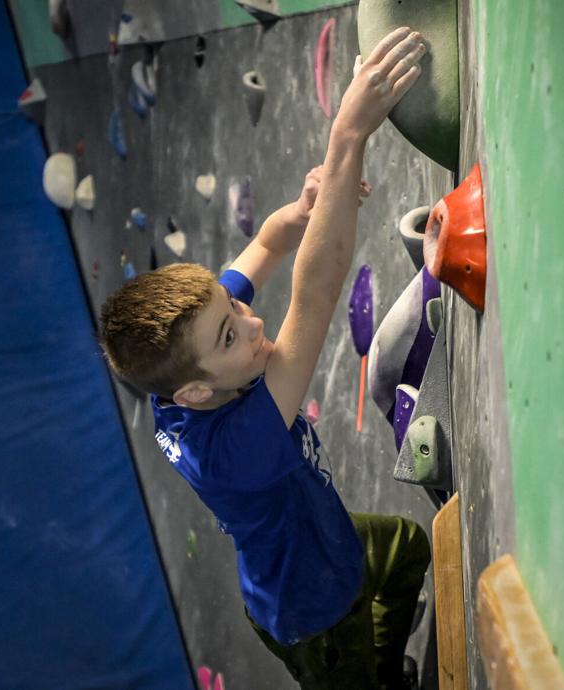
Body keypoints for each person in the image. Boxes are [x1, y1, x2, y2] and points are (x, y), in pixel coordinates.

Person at [98, 27, 431, 690]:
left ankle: (388, 658)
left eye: (234, 313)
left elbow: (268, 246)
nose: (253, 326)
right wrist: (346, 140)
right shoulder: (237, 446)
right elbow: (313, 295)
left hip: (321, 536)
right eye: (231, 337)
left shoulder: (191, 360)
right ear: (192, 394)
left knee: (409, 550)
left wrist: (305, 209)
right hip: (314, 611)